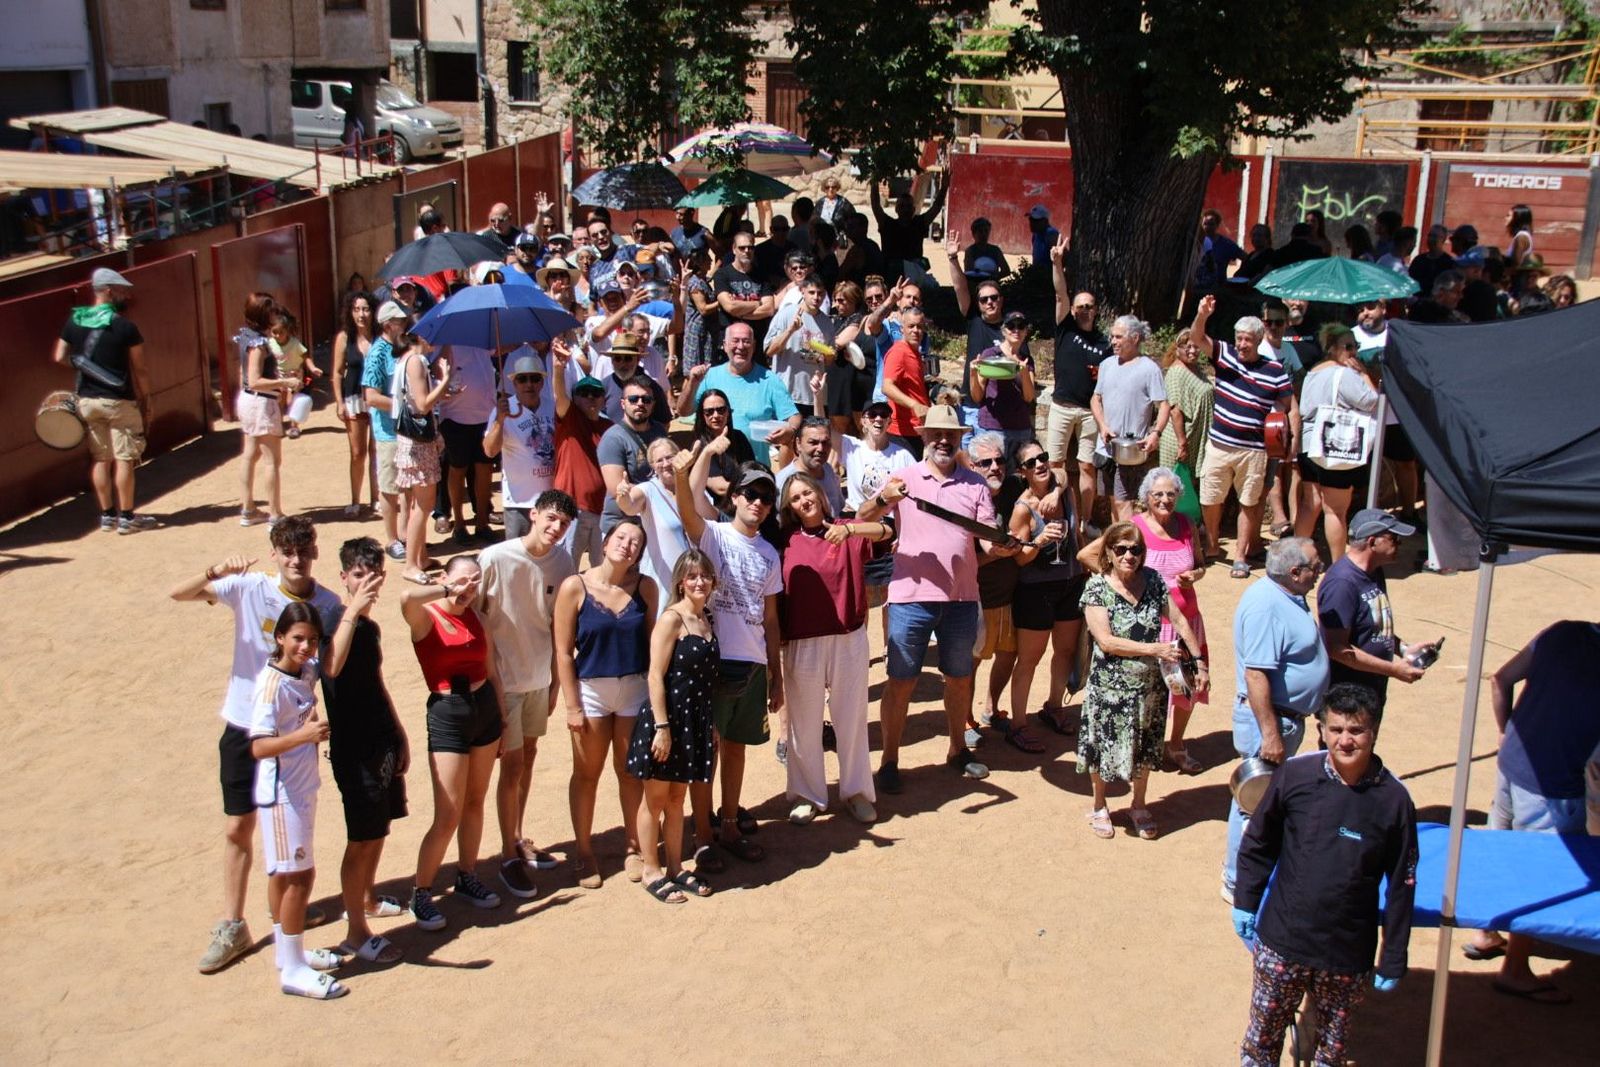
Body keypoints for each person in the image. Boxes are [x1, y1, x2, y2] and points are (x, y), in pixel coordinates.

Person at [170, 516, 343, 975]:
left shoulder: (328, 604)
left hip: (293, 736)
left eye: (303, 550)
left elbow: (335, 667)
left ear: (315, 552)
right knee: (238, 828)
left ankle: (283, 905)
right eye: (287, 551)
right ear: (274, 554)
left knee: (287, 822)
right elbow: (179, 594)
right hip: (245, 726)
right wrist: (214, 573)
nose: (295, 559)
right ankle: (232, 923)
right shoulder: (247, 588)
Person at [1234, 683, 1418, 1066]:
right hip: (1283, 943)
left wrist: (1394, 953)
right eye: (1336, 730)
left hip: (1346, 955)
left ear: (1374, 731)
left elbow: (1401, 884)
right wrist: (1245, 903)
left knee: (1330, 1054)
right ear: (1320, 730)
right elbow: (1259, 843)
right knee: (1260, 1043)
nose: (1345, 741)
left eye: (1356, 730)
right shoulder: (1295, 777)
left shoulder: (1395, 802)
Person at [856, 404, 994, 791]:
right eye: (936, 434)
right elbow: (864, 512)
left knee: (959, 677)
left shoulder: (976, 484)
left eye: (951, 434)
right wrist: (886, 498)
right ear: (924, 437)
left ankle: (956, 750)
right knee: (901, 681)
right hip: (910, 596)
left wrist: (1004, 547)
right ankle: (889, 762)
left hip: (962, 596)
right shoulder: (903, 477)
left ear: (960, 438)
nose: (943, 440)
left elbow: (987, 538)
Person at [1462, 619, 1600, 1003]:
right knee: (1539, 875)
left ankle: (1485, 931)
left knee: (1502, 852)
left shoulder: (1560, 632)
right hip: (1553, 785)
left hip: (1513, 764)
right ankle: (1516, 970)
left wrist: (1508, 734)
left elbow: (1499, 680)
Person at [675, 443, 785, 864]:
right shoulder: (713, 533)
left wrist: (773, 672)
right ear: (734, 497)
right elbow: (687, 512)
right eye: (750, 494)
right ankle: (703, 834)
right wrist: (684, 477)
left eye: (765, 497)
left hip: (753, 662)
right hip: (714, 659)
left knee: (735, 746)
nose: (757, 503)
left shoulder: (769, 554)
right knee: (709, 747)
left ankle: (729, 824)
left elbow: (771, 619)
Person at [775, 471, 893, 824]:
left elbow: (888, 531)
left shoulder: (847, 529)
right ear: (790, 507)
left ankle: (856, 791)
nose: (804, 501)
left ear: (822, 494)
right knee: (804, 724)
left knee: (852, 719)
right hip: (802, 641)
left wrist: (852, 528)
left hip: (848, 637)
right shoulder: (786, 540)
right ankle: (808, 794)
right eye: (795, 498)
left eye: (807, 493)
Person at [1077, 521, 1207, 840]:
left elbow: (1177, 618)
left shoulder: (1152, 581)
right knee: (1102, 747)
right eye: (1120, 549)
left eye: (1135, 549)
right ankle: (1099, 805)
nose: (1128, 556)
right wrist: (1154, 648)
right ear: (1108, 552)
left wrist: (1199, 660)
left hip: (1150, 686)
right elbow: (1106, 641)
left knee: (1145, 746)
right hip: (1109, 687)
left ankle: (1138, 804)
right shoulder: (1096, 587)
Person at [476, 490, 577, 899]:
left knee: (528, 758)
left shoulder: (564, 561)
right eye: (550, 519)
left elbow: (558, 626)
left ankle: (516, 835)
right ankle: (506, 856)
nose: (555, 529)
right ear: (533, 515)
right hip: (503, 681)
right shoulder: (495, 558)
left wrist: (554, 682)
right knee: (512, 766)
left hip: (538, 678)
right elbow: (475, 614)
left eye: (564, 525)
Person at [1223, 537, 1330, 902]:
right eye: (1315, 567)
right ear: (1295, 572)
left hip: (1284, 720)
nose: (1320, 572)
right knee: (1253, 804)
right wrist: (1270, 734)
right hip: (1269, 723)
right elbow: (1256, 675)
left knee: (1269, 802)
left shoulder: (1288, 595)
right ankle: (1238, 881)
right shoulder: (1266, 606)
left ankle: (1253, 875)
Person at [248, 602, 346, 999]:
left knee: (283, 874)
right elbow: (258, 747)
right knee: (299, 877)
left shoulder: (305, 673)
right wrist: (304, 736)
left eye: (311, 640)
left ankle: (289, 952)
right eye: (297, 639)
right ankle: (292, 969)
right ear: (279, 638)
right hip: (280, 794)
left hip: (301, 787)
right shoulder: (270, 686)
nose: (305, 647)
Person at [402, 555, 506, 931]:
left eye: (475, 582)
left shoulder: (478, 617)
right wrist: (446, 590)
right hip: (447, 712)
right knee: (447, 813)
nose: (468, 588)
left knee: (475, 801)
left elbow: (492, 671)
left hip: (483, 709)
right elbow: (405, 599)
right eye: (462, 581)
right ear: (446, 579)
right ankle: (422, 891)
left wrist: (503, 718)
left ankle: (467, 874)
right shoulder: (427, 616)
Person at [1085, 468, 1211, 774]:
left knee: (1188, 685)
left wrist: (1194, 575)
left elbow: (1200, 563)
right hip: (1150, 626)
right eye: (1158, 494)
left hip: (1186, 617)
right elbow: (1088, 554)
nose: (1165, 500)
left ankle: (1176, 745)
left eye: (1170, 494)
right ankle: (1143, 750)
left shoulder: (1187, 524)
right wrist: (1118, 586)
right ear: (1146, 498)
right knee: (1147, 692)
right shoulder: (1134, 527)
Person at [553, 520, 657, 889]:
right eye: (621, 538)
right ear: (606, 541)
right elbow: (564, 652)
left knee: (630, 773)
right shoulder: (574, 587)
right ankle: (584, 852)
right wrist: (571, 705)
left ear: (640, 554)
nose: (627, 545)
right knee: (586, 774)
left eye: (636, 542)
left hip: (633, 688)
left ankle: (633, 846)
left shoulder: (645, 588)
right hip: (591, 691)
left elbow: (651, 645)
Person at [320, 538, 408, 966]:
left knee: (378, 831)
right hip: (353, 751)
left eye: (372, 576)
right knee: (360, 840)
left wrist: (399, 733)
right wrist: (353, 611)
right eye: (357, 575)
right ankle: (356, 933)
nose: (365, 583)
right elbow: (330, 667)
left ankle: (368, 900)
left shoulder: (370, 629)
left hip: (380, 741)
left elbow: (374, 683)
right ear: (343, 578)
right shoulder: (333, 622)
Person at [627, 549, 721, 903]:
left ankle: (675, 867)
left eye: (705, 576)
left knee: (678, 797)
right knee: (655, 799)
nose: (700, 582)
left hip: (694, 720)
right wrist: (662, 727)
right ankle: (651, 869)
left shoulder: (706, 617)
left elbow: (706, 680)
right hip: (667, 719)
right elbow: (655, 674)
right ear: (681, 581)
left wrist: (708, 723)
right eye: (692, 576)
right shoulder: (671, 619)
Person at [1189, 295, 1297, 578]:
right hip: (1219, 445)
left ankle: (1240, 556)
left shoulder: (1274, 371)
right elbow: (1196, 337)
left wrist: (1284, 432)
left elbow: (1286, 403)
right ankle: (1212, 545)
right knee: (1210, 498)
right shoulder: (1224, 355)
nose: (1242, 344)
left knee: (1249, 502)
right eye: (1239, 338)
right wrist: (1202, 315)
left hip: (1254, 449)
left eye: (1248, 339)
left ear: (1259, 340)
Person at [51, 266, 157, 533]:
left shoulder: (74, 321)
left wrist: (84, 366)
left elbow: (59, 357)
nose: (126, 296)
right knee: (124, 459)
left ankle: (108, 516)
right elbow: (140, 369)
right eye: (121, 290)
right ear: (108, 291)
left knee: (101, 458)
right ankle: (127, 518)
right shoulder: (124, 327)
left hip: (87, 400)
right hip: (118, 401)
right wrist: (147, 399)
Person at [1004, 440, 1083, 752]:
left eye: (1043, 457)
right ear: (1022, 472)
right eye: (1031, 462)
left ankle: (1053, 706)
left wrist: (1056, 491)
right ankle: (1017, 724)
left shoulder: (1065, 492)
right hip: (1036, 590)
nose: (1040, 464)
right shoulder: (1022, 509)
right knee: (1029, 660)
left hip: (1071, 581)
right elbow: (1019, 558)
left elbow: (1063, 475)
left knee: (1064, 651)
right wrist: (1038, 540)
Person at [1318, 509, 1436, 713]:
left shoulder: (1373, 570)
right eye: (1394, 538)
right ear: (1372, 542)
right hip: (1348, 692)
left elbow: (1373, 627)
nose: (1399, 544)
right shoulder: (1342, 584)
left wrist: (1403, 649)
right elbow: (1337, 648)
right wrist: (1393, 670)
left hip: (1372, 683)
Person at [1293, 325, 1381, 560]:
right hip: (1334, 446)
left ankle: (1297, 557)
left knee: (1309, 506)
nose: (1354, 352)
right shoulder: (1346, 374)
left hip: (1309, 443)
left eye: (1356, 346)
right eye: (1348, 347)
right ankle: (1338, 564)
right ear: (1332, 348)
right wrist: (1363, 373)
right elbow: (1372, 401)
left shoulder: (1313, 372)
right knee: (1336, 510)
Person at [1048, 232, 1107, 535]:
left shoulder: (1104, 343)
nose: (1083, 309)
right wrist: (1058, 264)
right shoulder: (1065, 328)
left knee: (1086, 467)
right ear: (1073, 309)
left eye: (1089, 306)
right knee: (1056, 464)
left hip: (1088, 412)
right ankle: (1059, 517)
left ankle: (1085, 521)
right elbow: (1060, 294)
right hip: (1060, 407)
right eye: (1079, 305)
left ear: (1096, 311)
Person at [678, 322, 799, 467]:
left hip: (754, 469)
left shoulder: (770, 380)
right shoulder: (709, 377)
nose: (741, 346)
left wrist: (790, 429)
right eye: (735, 341)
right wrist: (692, 383)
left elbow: (793, 416)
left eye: (746, 341)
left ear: (753, 346)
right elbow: (683, 411)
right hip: (713, 468)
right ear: (725, 345)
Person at [1092, 315, 1169, 521]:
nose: (1113, 341)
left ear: (1135, 338)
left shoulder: (1149, 369)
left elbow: (1163, 406)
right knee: (1112, 501)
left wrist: (1155, 434)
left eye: (1118, 337)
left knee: (1123, 501)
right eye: (1112, 337)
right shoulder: (1107, 364)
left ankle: (1129, 547)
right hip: (1106, 448)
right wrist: (1102, 425)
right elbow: (1096, 398)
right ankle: (1118, 546)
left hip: (1131, 450)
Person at [393, 335, 452, 582]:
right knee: (424, 506)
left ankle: (420, 557)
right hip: (418, 444)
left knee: (420, 504)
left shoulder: (407, 360)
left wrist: (442, 390)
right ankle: (410, 564)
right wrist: (445, 380)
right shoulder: (416, 360)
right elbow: (423, 404)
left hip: (415, 442)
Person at [550, 340, 611, 567]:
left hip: (601, 509)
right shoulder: (570, 419)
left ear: (603, 399)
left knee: (602, 569)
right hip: (571, 507)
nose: (590, 397)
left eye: (595, 393)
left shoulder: (610, 428)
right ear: (576, 398)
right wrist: (558, 369)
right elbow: (560, 397)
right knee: (566, 566)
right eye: (584, 393)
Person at [235, 293, 292, 528]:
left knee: (250, 454)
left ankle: (248, 508)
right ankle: (275, 513)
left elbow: (245, 379)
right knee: (271, 460)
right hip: (260, 401)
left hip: (249, 401)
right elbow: (255, 380)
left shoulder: (246, 337)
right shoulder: (257, 344)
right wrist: (284, 383)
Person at [616, 438, 690, 612]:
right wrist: (623, 496)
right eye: (659, 460)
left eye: (670, 457)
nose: (665, 464)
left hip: (692, 579)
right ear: (653, 466)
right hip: (662, 582)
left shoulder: (692, 487)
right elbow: (630, 506)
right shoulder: (649, 490)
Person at [434, 343, 498, 544]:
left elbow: (501, 348)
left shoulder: (483, 339)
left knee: (485, 469)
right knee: (457, 469)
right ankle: (459, 524)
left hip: (485, 416)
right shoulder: (446, 343)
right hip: (455, 417)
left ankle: (482, 521)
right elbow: (437, 369)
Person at [362, 302, 411, 559]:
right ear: (387, 324)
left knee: (406, 486)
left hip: (404, 431)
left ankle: (405, 536)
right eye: (399, 321)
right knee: (390, 487)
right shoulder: (377, 352)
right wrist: (404, 406)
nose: (403, 324)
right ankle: (392, 539)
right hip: (388, 432)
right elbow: (371, 396)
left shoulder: (399, 349)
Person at [330, 290, 376, 517]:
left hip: (377, 399)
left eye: (366, 309)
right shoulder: (344, 338)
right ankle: (355, 500)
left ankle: (376, 499)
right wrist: (339, 402)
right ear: (350, 312)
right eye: (357, 309)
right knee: (357, 452)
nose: (361, 314)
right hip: (354, 398)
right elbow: (337, 373)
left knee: (376, 450)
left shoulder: (380, 336)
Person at [766, 271, 835, 417]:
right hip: (787, 394)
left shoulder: (827, 323)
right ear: (802, 290)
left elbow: (827, 363)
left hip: (815, 397)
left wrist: (829, 354)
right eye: (812, 292)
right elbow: (769, 350)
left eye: (820, 293)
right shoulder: (786, 314)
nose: (816, 297)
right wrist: (790, 330)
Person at [1155, 333, 1215, 483]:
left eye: (1196, 347)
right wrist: (1182, 444)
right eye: (1187, 347)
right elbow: (1175, 411)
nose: (1193, 351)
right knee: (1174, 489)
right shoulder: (1176, 373)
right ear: (1177, 349)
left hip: (1194, 439)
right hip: (1180, 441)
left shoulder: (1194, 368)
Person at [881, 306, 932, 456]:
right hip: (901, 433)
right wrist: (914, 405)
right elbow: (887, 387)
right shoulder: (899, 352)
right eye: (911, 326)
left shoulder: (914, 352)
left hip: (915, 429)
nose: (915, 330)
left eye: (919, 326)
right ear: (902, 328)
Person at [691, 388, 757, 500]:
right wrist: (753, 490)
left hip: (743, 501)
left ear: (728, 412)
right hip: (717, 508)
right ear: (702, 416)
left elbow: (752, 470)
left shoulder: (739, 437)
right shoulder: (701, 446)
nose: (716, 415)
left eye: (721, 410)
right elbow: (719, 488)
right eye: (709, 411)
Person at [870, 181, 947, 276]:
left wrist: (944, 187)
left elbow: (936, 207)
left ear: (914, 209)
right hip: (891, 271)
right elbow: (875, 205)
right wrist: (875, 180)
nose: (906, 210)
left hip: (913, 272)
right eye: (902, 206)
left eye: (909, 206)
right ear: (896, 209)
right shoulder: (888, 224)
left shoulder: (919, 223)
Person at [713, 231, 775, 350]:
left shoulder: (762, 275)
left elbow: (769, 309)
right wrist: (758, 303)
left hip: (755, 340)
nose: (747, 251)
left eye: (750, 247)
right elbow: (729, 306)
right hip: (731, 341)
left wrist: (739, 311)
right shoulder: (722, 275)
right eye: (742, 248)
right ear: (734, 249)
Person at [776, 416, 845, 515]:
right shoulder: (783, 482)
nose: (821, 449)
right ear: (798, 444)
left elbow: (838, 509)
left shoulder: (827, 469)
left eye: (825, 443)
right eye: (813, 442)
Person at [1027, 204, 1059, 268]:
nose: (1032, 223)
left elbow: (1063, 258)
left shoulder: (1051, 234)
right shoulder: (1036, 235)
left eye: (1035, 220)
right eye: (1030, 220)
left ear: (1045, 221)